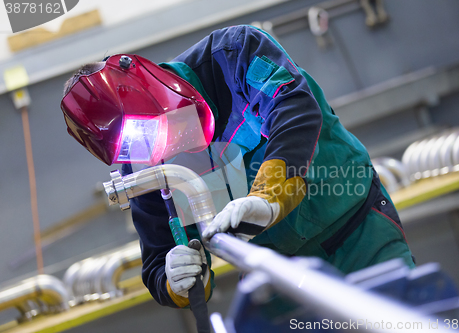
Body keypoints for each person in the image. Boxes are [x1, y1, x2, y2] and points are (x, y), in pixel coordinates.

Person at [60, 25, 415, 309]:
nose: (164, 148)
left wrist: (270, 197)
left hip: (358, 235)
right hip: (278, 280)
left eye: (163, 128)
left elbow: (294, 108)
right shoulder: (139, 162)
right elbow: (158, 258)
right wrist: (177, 282)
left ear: (154, 85)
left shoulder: (235, 54)